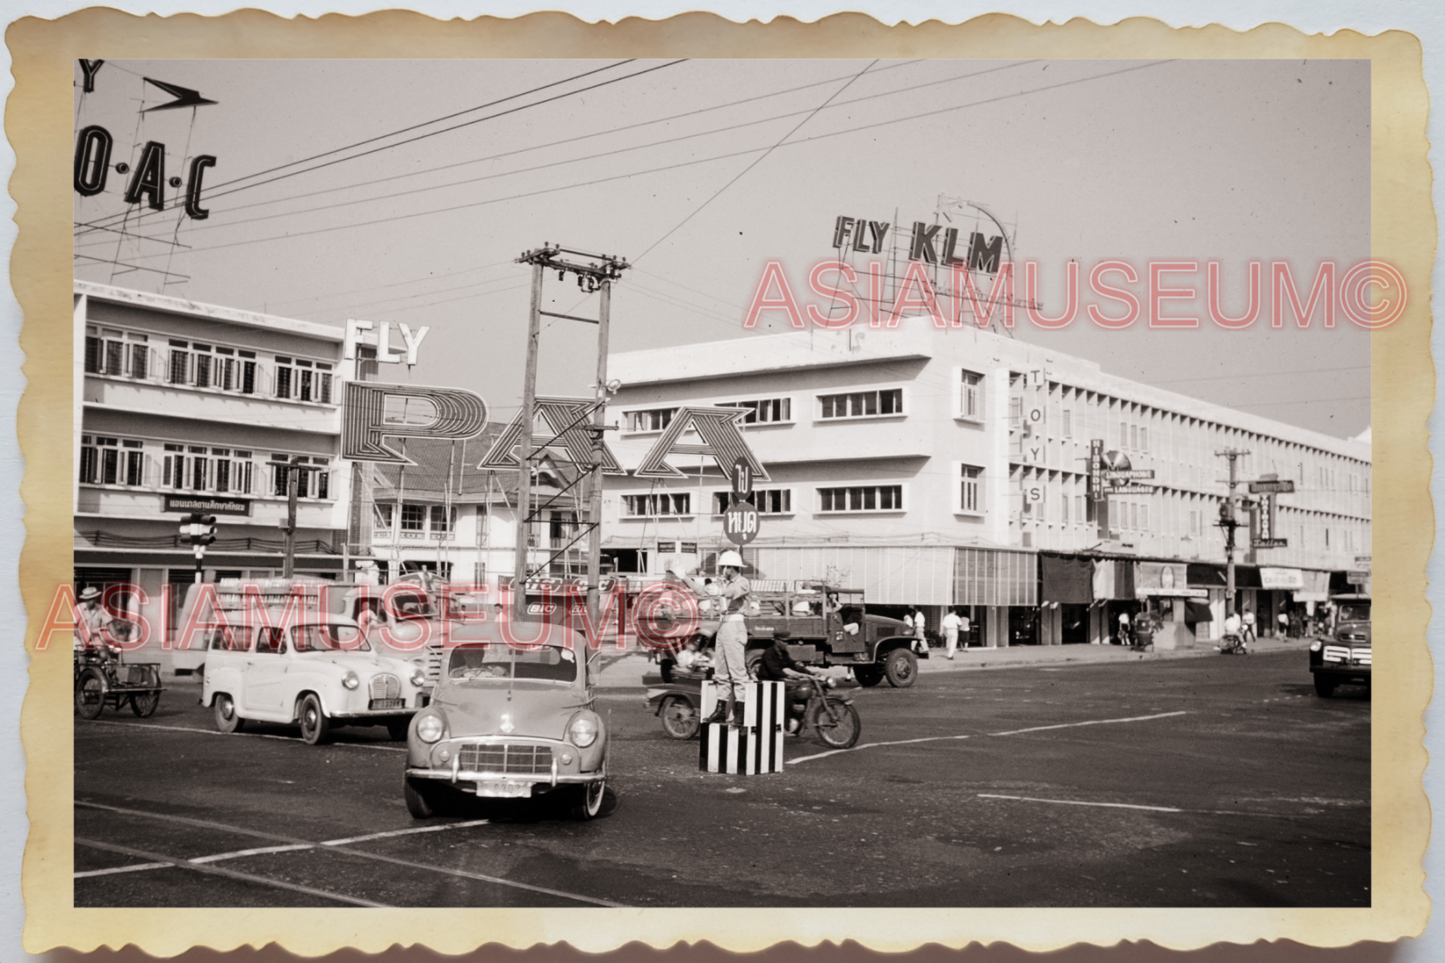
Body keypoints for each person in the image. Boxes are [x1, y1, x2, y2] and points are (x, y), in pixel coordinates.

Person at [675, 550, 751, 726]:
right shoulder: (722, 582)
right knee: (721, 672)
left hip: (735, 625)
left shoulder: (742, 582)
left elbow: (734, 592)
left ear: (732, 568)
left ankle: (740, 713)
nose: (722, 569)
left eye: (724, 567)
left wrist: (721, 590)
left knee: (738, 673)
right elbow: (701, 590)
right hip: (723, 626)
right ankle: (720, 710)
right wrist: (684, 577)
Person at [754, 628, 823, 734]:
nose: (786, 643)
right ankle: (785, 725)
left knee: (801, 691)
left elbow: (793, 664)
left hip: (778, 682)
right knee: (787, 697)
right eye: (783, 641)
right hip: (767, 683)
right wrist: (791, 676)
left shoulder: (783, 653)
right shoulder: (769, 653)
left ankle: (798, 721)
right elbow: (774, 671)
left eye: (787, 641)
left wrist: (809, 673)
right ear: (776, 640)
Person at [74, 585, 115, 653]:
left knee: (104, 654)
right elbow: (73, 626)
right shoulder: (77, 609)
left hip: (95, 638)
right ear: (85, 599)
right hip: (78, 638)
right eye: (89, 599)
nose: (91, 601)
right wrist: (82, 639)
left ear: (96, 598)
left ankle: (98, 662)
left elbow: (110, 623)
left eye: (93, 598)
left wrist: (115, 640)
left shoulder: (100, 608)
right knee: (81, 658)